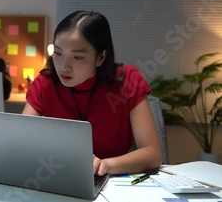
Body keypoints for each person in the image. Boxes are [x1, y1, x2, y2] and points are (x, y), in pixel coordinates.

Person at [23, 10, 162, 176]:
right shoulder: (45, 83)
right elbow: (21, 142)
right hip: (58, 176)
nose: (64, 66)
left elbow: (152, 154)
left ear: (101, 57)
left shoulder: (127, 81)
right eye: (58, 53)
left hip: (112, 181)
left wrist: (105, 166)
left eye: (78, 58)